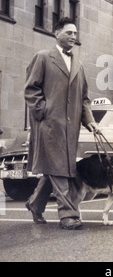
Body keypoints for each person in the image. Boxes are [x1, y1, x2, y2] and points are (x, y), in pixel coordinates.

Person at [24, 17, 98, 230]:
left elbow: (84, 98)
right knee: (61, 170)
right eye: (69, 33)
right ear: (56, 33)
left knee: (58, 168)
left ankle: (35, 205)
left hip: (70, 128)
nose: (73, 37)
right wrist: (43, 111)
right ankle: (68, 215)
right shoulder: (43, 57)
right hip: (49, 126)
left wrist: (90, 121)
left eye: (75, 33)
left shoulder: (79, 65)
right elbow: (31, 89)